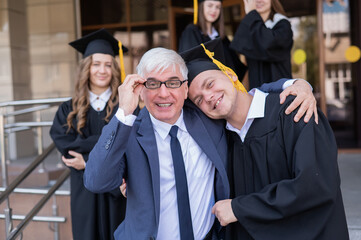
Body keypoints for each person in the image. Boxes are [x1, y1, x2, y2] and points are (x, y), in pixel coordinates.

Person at [84, 45, 316, 240]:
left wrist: (294, 84)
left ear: (185, 89)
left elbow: (238, 95)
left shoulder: (207, 119)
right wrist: (124, 111)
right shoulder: (130, 132)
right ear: (141, 90)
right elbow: (96, 180)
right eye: (153, 84)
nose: (163, 94)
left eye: (173, 82)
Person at [181, 38, 349, 240]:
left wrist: (239, 208)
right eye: (198, 99)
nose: (207, 97)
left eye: (210, 84)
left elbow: (315, 186)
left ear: (231, 74)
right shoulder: (225, 142)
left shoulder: (294, 111)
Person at [50, 29, 129, 240]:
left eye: (108, 64)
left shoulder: (126, 107)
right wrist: (109, 141)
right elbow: (66, 146)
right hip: (84, 193)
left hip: (117, 191)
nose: (102, 70)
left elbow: (129, 143)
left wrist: (86, 159)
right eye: (96, 64)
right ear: (86, 68)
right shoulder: (68, 110)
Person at [230, 0, 293, 89]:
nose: (259, 0)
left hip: (280, 93)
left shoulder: (282, 25)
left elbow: (266, 44)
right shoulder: (250, 28)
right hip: (256, 91)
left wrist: (252, 14)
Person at [178, 0, 247, 81]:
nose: (214, 10)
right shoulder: (192, 32)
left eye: (217, 7)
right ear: (201, 7)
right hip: (208, 88)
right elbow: (191, 63)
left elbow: (237, 65)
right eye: (210, 5)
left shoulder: (222, 38)